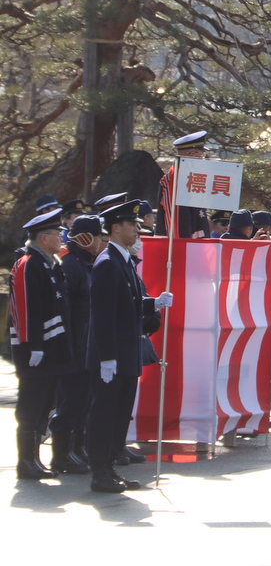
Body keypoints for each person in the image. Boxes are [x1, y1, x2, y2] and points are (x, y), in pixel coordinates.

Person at [87, 200, 172, 492]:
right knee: (105, 413)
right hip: (113, 355)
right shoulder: (108, 263)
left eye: (138, 225)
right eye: (132, 225)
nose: (137, 229)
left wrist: (153, 302)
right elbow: (103, 315)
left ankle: (111, 466)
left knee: (120, 413)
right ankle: (100, 471)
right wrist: (107, 357)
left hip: (127, 352)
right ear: (115, 228)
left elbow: (129, 302)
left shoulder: (122, 261)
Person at [10, 209, 76, 479]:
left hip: (53, 350)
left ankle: (34, 459)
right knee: (31, 405)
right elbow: (25, 307)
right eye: (57, 234)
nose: (61, 238)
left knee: (45, 403)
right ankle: (25, 461)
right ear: (43, 237)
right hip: (35, 350)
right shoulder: (29, 263)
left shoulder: (50, 262)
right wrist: (33, 343)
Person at [49, 214, 106, 475]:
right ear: (85, 237)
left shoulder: (86, 262)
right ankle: (60, 454)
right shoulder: (70, 264)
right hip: (74, 345)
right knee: (71, 401)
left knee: (84, 400)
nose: (100, 240)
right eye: (96, 235)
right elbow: (65, 308)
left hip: (87, 344)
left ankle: (76, 448)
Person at [156, 131, 211, 238]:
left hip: (196, 247)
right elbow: (176, 222)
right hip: (184, 249)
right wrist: (182, 249)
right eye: (202, 155)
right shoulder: (176, 177)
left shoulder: (190, 177)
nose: (203, 159)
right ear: (193, 155)